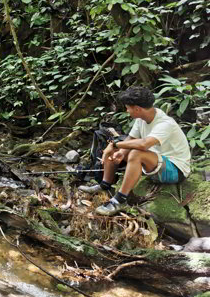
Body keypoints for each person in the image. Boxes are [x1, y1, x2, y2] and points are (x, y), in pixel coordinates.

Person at [79, 86, 191, 216]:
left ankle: (119, 200)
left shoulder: (165, 124)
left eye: (128, 108)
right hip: (155, 161)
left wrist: (115, 145)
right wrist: (119, 153)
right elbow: (131, 139)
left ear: (137, 109)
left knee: (134, 153)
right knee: (113, 149)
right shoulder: (143, 118)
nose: (127, 111)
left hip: (175, 170)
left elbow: (144, 144)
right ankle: (105, 185)